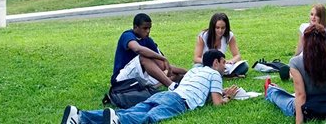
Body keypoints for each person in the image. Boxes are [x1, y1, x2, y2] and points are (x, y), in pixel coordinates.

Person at [62, 50, 238, 124]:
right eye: (224, 62)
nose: (225, 66)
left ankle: (79, 116)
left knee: (129, 111)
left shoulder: (195, 70)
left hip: (164, 95)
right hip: (178, 102)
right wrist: (227, 97)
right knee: (147, 118)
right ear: (216, 62)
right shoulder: (215, 74)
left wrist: (218, 92)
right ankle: (119, 122)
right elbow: (216, 104)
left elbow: (199, 90)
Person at [265, 24, 326, 124]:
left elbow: (301, 95)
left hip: (308, 108)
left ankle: (270, 89)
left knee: (278, 96)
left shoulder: (295, 62)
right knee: (291, 96)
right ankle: (274, 89)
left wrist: (299, 121)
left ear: (305, 41)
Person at [111, 13, 186, 90]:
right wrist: (163, 58)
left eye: (149, 28)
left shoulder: (147, 40)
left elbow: (161, 64)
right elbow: (138, 49)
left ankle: (151, 88)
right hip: (121, 78)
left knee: (176, 76)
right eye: (145, 28)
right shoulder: (127, 35)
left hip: (139, 76)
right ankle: (172, 86)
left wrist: (187, 72)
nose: (148, 31)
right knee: (144, 57)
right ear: (135, 27)